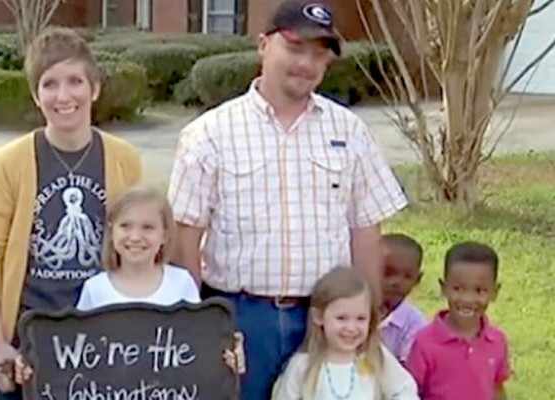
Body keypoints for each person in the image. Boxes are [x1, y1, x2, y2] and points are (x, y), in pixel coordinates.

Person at [166, 1, 408, 398]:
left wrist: (364, 323)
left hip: (326, 321)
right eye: (295, 48)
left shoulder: (350, 132)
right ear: (263, 45)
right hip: (240, 319)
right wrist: (197, 326)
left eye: (319, 53)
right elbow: (185, 238)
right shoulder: (209, 134)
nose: (306, 63)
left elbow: (366, 232)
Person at [0, 27, 142, 399]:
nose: (63, 96)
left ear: (94, 88)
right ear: (36, 95)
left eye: (75, 81)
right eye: (50, 84)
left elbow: (138, 244)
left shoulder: (123, 159)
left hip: (102, 338)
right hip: (29, 339)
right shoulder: (9, 162)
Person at [13, 185, 245, 383]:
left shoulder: (181, 283)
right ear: (112, 232)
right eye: (126, 226)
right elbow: (74, 354)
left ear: (165, 235)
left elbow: (201, 345)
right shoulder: (96, 289)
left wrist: (229, 354)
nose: (135, 237)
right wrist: (35, 364)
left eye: (148, 228)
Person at [274, 267, 419, 399]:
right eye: (341, 318)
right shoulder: (303, 365)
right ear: (319, 317)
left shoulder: (375, 357)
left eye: (360, 319)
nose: (351, 328)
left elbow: (405, 390)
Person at [407, 242, 510, 399]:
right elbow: (410, 391)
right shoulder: (425, 342)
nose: (468, 299)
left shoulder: (497, 341)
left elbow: (496, 388)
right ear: (444, 288)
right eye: (458, 289)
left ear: (494, 292)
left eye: (479, 291)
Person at [378, 233, 427, 364]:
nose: (396, 282)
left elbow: (408, 373)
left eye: (407, 276)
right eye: (388, 273)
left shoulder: (414, 323)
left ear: (417, 279)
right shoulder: (354, 313)